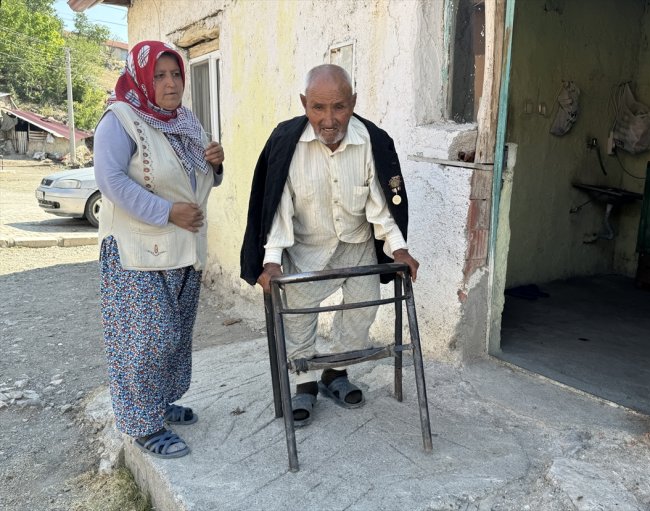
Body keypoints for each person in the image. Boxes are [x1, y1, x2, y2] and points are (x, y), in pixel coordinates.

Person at [240, 64, 419, 427]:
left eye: (339, 107)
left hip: (356, 245)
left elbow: (381, 204)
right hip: (305, 246)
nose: (328, 119)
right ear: (304, 104)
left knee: (361, 313)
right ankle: (304, 383)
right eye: (318, 107)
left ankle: (335, 373)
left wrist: (398, 248)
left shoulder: (372, 141)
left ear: (353, 103)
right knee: (298, 320)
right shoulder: (287, 143)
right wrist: (271, 260)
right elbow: (278, 207)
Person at [93, 40, 225, 459]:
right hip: (135, 251)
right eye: (160, 76)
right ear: (142, 79)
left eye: (176, 75)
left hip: (182, 248)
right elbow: (111, 181)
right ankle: (142, 423)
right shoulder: (121, 119)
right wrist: (167, 212)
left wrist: (216, 163)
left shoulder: (184, 120)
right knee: (150, 337)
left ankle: (159, 403)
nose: (171, 84)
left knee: (175, 337)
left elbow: (200, 179)